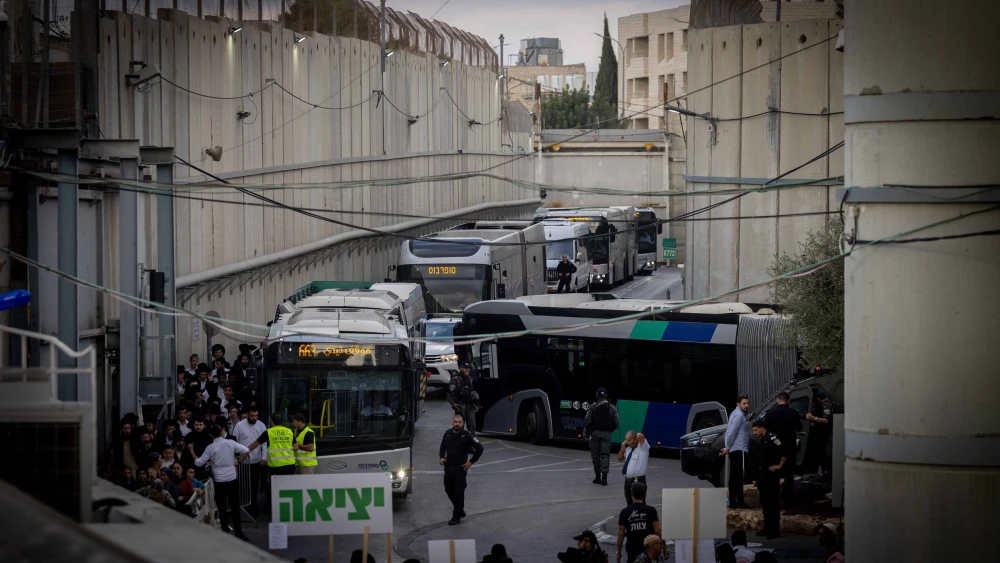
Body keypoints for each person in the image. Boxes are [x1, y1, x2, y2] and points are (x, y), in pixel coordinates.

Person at [195, 425, 250, 540]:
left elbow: (199, 463)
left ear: (211, 435)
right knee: (235, 507)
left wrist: (191, 451)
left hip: (219, 481)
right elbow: (246, 450)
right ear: (220, 432)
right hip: (232, 478)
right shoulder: (230, 443)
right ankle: (239, 533)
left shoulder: (210, 447)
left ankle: (225, 532)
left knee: (222, 508)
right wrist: (237, 461)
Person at [438, 413, 484, 525]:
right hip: (448, 467)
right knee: (448, 490)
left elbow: (480, 449)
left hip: (460, 468)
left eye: (459, 422)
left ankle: (456, 516)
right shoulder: (447, 434)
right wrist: (442, 456)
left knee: (459, 492)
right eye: (455, 422)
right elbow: (443, 446)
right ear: (452, 422)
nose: (457, 424)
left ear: (463, 424)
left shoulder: (467, 436)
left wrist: (471, 462)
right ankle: (460, 510)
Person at [762, 391, 801, 506]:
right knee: (789, 475)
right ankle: (787, 501)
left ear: (777, 400)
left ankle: (773, 499)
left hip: (774, 448)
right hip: (789, 448)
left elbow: (765, 431)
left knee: (774, 473)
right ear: (788, 400)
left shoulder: (769, 413)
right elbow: (799, 427)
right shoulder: (793, 413)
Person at [752, 419, 786, 539]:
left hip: (771, 475)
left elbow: (785, 451)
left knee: (772, 503)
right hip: (763, 474)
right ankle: (767, 527)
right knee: (765, 502)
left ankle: (774, 530)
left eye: (756, 430)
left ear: (762, 428)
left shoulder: (773, 439)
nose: (754, 433)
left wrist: (779, 465)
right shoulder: (763, 439)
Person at [232, 406, 268, 517]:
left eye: (256, 416)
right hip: (243, 462)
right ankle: (243, 507)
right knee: (243, 486)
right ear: (247, 414)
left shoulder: (261, 425)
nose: (254, 418)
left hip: (256, 461)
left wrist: (264, 457)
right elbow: (234, 442)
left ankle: (253, 507)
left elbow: (264, 443)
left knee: (254, 486)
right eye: (252, 416)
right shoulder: (239, 425)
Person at [237, 413, 296, 479]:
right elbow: (296, 447)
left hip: (275, 466)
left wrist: (242, 455)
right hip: (290, 465)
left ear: (272, 422)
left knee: (275, 488)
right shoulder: (289, 431)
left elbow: (254, 445)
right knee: (288, 486)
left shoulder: (269, 432)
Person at [616, 481, 660, 563]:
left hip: (632, 550)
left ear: (632, 494)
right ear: (644, 494)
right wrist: (663, 546)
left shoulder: (625, 512)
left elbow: (621, 534)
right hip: (649, 550)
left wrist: (619, 552)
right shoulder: (651, 510)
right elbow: (658, 530)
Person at [720, 394, 750, 509]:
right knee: (738, 477)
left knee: (734, 476)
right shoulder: (739, 416)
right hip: (739, 449)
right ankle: (739, 502)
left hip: (735, 449)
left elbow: (728, 432)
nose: (747, 405)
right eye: (744, 403)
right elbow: (731, 432)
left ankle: (733, 501)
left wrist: (727, 446)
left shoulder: (734, 414)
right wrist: (727, 447)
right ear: (738, 404)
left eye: (747, 403)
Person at [585, 387, 620, 486]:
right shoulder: (612, 407)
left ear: (597, 395)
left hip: (595, 433)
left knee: (595, 455)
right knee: (605, 455)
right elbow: (617, 423)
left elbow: (587, 420)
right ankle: (604, 478)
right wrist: (610, 430)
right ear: (606, 395)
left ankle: (597, 477)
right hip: (606, 434)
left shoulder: (593, 406)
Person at [804, 390, 833, 474]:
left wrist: (813, 418)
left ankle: (826, 472)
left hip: (829, 434)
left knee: (826, 454)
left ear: (819, 398)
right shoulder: (823, 406)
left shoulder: (826, 405)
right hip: (824, 435)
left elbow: (825, 420)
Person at [618, 430, 650, 505]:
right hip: (628, 480)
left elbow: (640, 435)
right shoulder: (627, 448)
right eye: (626, 440)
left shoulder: (643, 447)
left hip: (638, 480)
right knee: (629, 502)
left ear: (635, 440)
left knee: (640, 503)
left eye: (628, 440)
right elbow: (620, 458)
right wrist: (622, 449)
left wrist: (635, 437)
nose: (626, 442)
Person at [447, 362, 478, 434]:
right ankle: (459, 441)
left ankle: (470, 441)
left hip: (470, 405)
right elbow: (448, 393)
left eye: (468, 368)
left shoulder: (469, 378)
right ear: (461, 369)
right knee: (460, 425)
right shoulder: (455, 379)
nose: (467, 370)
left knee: (472, 424)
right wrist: (453, 404)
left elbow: (471, 392)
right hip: (460, 405)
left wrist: (476, 402)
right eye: (465, 368)